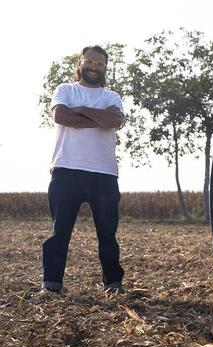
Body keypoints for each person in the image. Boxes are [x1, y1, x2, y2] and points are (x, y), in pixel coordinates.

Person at [39, 45, 126, 297]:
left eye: (99, 64)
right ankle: (51, 284)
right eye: (89, 62)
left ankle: (113, 283)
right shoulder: (65, 90)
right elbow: (61, 117)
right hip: (66, 168)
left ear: (105, 68)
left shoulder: (112, 96)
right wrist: (97, 119)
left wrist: (80, 110)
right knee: (59, 232)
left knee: (107, 233)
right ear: (79, 63)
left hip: (104, 173)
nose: (94, 67)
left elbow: (113, 121)